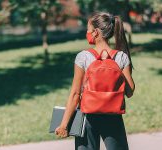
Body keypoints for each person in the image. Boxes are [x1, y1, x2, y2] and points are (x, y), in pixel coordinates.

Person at [55, 12, 135, 150]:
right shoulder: (121, 57)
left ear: (96, 32)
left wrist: (64, 125)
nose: (87, 32)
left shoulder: (83, 57)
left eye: (88, 29)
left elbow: (75, 94)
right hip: (113, 116)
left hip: (87, 117)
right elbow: (129, 92)